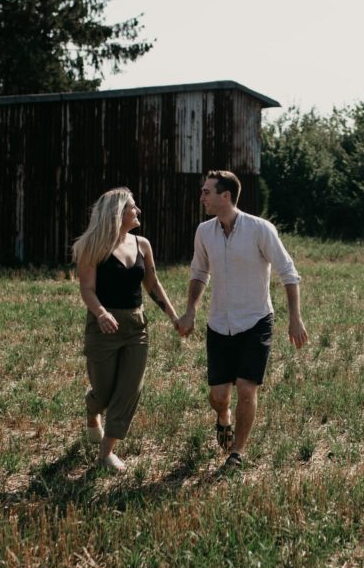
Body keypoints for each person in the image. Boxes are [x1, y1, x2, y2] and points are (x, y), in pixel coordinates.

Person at [175, 170, 308, 473]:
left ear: (226, 196)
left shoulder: (260, 229)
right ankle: (224, 418)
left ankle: (237, 454)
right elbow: (198, 273)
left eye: (207, 192)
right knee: (220, 396)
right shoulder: (204, 232)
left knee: (247, 390)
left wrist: (295, 318)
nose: (202, 197)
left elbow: (288, 272)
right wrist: (191, 310)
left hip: (256, 320)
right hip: (219, 323)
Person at [72, 187, 180, 472]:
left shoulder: (142, 244)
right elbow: (87, 289)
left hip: (136, 327)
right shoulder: (92, 246)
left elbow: (153, 285)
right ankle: (92, 408)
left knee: (129, 390)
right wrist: (101, 313)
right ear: (118, 213)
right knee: (104, 393)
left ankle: (106, 452)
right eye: (133, 207)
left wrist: (173, 316)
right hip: (103, 327)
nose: (138, 211)